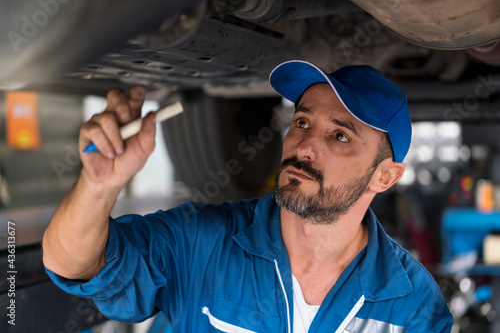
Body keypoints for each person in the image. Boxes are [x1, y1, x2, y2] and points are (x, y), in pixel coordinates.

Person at [43, 60, 453, 332]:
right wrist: (99, 185)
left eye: (339, 135)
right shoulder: (202, 242)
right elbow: (74, 265)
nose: (304, 146)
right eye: (302, 120)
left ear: (384, 176)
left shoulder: (412, 303)